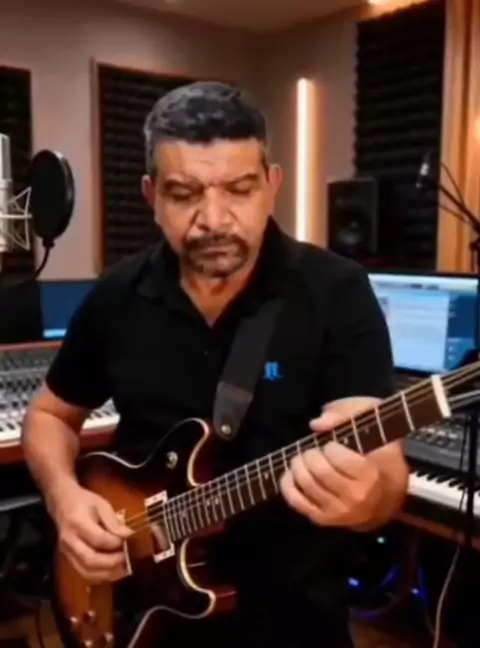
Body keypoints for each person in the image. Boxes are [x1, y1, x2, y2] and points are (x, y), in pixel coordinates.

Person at [22, 82, 409, 648]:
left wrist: (369, 498)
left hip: (293, 624)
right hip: (143, 614)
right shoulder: (117, 295)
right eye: (183, 194)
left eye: (240, 190)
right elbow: (50, 416)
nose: (214, 219)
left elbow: (384, 466)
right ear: (151, 196)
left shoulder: (337, 292)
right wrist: (66, 500)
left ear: (272, 186)